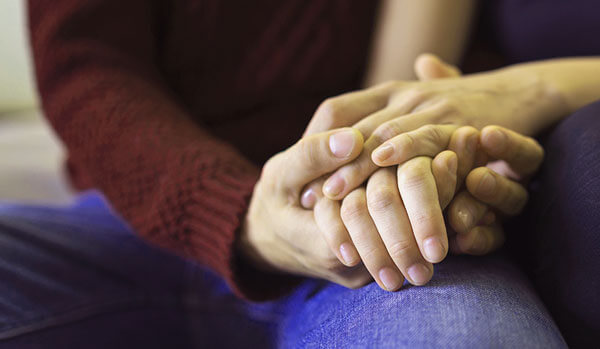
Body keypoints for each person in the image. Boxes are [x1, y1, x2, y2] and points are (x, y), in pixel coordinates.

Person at [1, 0, 597, 347]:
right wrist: (244, 217)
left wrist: (402, 171)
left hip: (369, 240)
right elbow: (87, 72)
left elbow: (393, 96)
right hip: (136, 221)